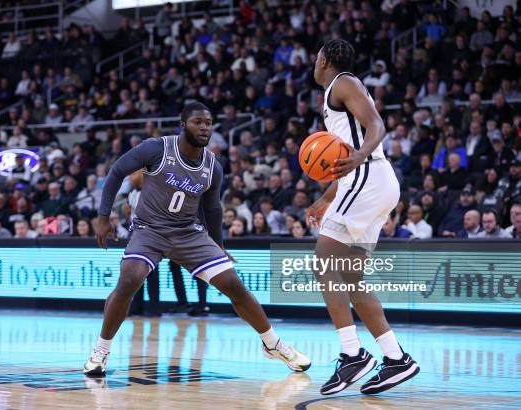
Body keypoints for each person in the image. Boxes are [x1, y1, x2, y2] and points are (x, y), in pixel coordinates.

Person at [85, 102, 310, 375]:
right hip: (149, 229)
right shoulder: (157, 148)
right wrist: (103, 216)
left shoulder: (213, 165)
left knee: (234, 285)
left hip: (188, 232)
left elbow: (212, 209)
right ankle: (101, 350)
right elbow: (116, 171)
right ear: (183, 125)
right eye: (198, 122)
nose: (204, 127)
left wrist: (219, 245)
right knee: (130, 278)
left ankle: (272, 344)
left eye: (208, 123)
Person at [306, 39, 419, 396]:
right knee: (351, 278)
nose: (314, 62)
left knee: (324, 260)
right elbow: (344, 156)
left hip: (367, 177)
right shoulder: (337, 91)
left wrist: (358, 158)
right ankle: (396, 358)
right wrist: (326, 197)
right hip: (368, 180)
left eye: (316, 56)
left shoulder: (343, 82)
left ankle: (352, 354)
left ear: (324, 59)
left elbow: (377, 126)